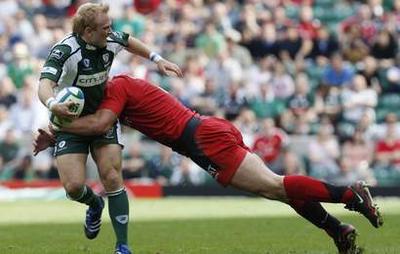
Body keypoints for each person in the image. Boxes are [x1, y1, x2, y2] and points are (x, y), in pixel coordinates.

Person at [35, 75, 383, 254]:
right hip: (206, 131)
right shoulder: (118, 87)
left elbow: (96, 126)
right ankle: (337, 230)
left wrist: (59, 126)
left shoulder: (116, 90)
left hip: (203, 140)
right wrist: (55, 132)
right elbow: (98, 120)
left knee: (275, 185)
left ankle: (350, 194)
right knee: (276, 189)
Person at [37, 3, 182, 254]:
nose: (111, 31)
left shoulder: (109, 38)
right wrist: (52, 104)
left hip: (103, 116)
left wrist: (157, 59)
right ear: (87, 31)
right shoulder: (64, 51)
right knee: (73, 187)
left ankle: (122, 246)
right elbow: (44, 85)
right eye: (105, 28)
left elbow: (128, 40)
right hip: (71, 123)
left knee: (113, 177)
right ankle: (94, 204)